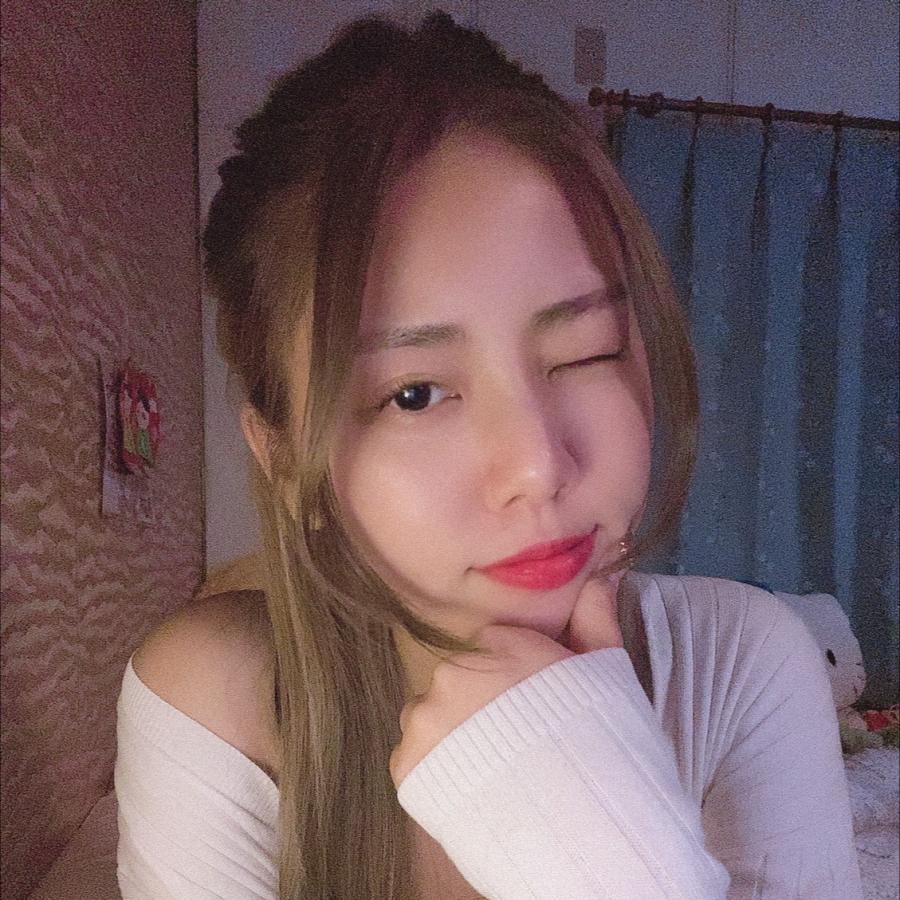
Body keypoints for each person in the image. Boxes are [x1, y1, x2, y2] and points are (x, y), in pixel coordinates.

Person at [114, 10, 864, 899]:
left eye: (586, 353)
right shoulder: (221, 707)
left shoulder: (744, 666)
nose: (538, 465)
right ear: (286, 465)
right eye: (414, 394)